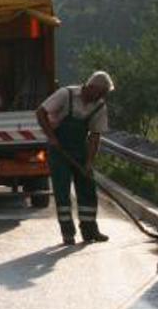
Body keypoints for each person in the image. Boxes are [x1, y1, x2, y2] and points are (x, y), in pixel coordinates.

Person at [36, 71, 114, 245]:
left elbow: (94, 137)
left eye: (104, 94)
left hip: (80, 151)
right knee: (62, 191)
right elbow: (40, 112)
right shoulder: (66, 94)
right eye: (100, 93)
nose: (101, 97)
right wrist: (52, 137)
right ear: (91, 87)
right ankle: (68, 233)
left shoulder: (99, 106)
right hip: (59, 151)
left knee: (88, 188)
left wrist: (88, 162)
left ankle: (90, 230)